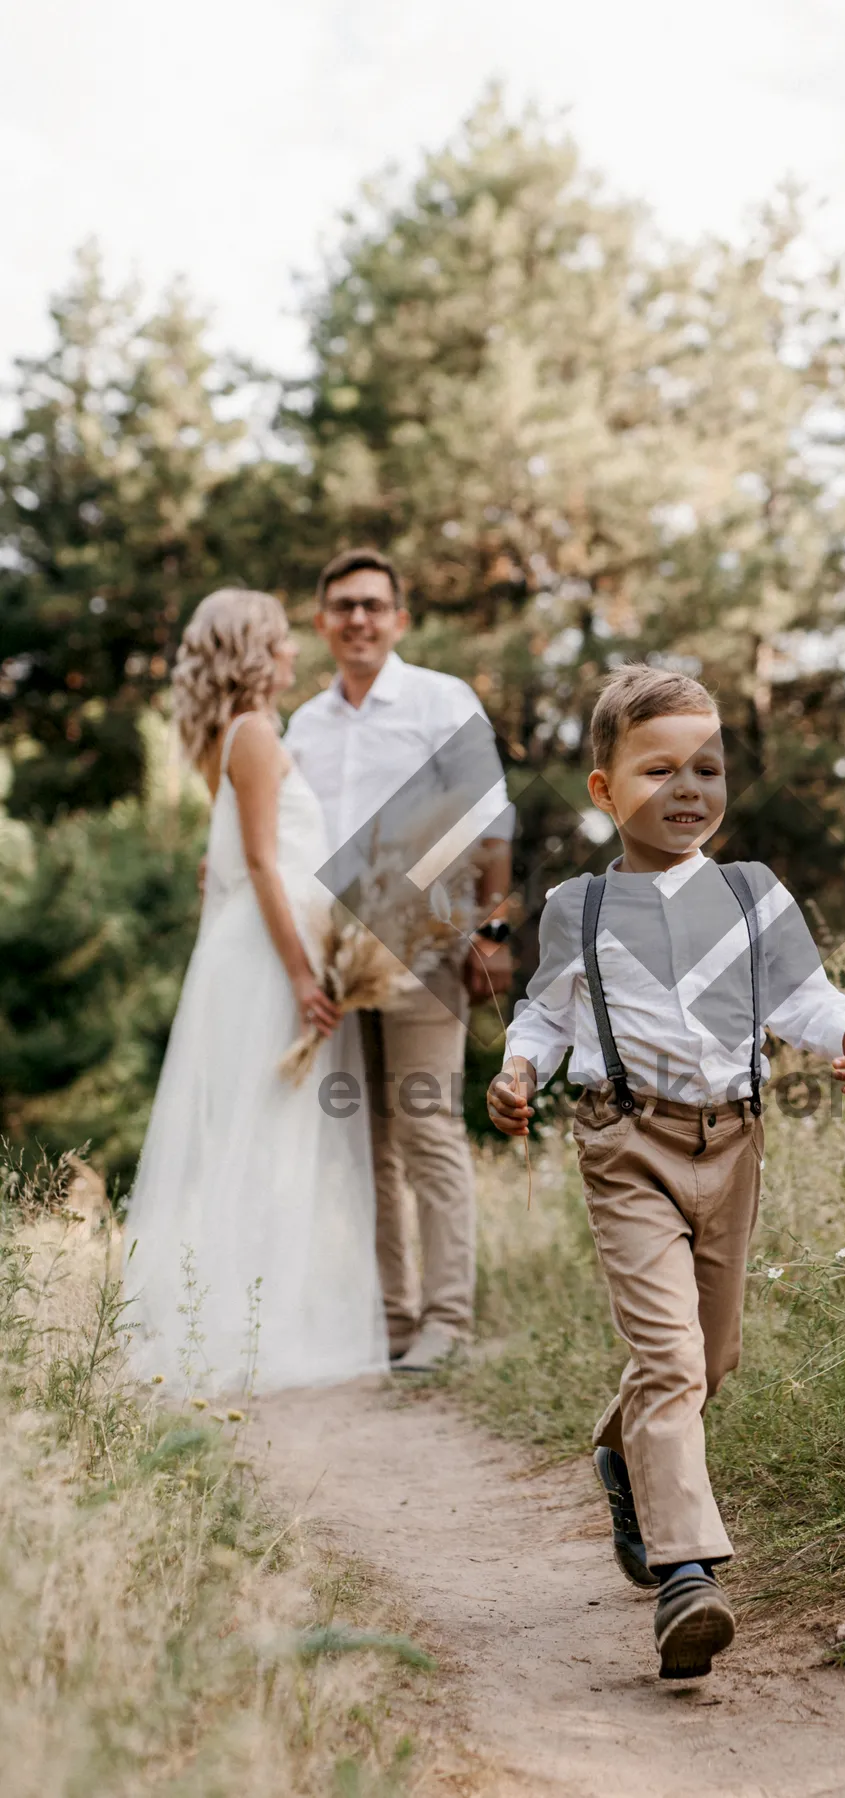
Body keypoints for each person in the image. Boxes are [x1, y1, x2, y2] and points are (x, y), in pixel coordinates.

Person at [486, 664, 845, 1680]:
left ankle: (625, 1452)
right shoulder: (578, 907)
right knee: (669, 1361)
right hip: (626, 1144)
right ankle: (686, 1578)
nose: (687, 788)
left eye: (705, 767)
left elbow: (801, 997)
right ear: (604, 789)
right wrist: (520, 1062)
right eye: (657, 767)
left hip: (736, 1144)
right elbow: (544, 1007)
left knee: (710, 1361)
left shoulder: (754, 895)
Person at [124, 589, 387, 1395]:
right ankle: (244, 1332)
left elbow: (236, 861)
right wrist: (306, 974)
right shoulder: (256, 733)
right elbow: (269, 863)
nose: (291, 654)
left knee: (255, 1135)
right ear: (250, 653)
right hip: (271, 956)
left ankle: (242, 1319)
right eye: (277, 642)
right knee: (263, 1140)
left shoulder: (225, 734)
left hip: (250, 945)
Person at [286, 548, 514, 1373]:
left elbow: (492, 820)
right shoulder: (304, 724)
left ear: (399, 620)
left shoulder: (438, 700)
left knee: (426, 1127)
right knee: (364, 1140)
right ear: (321, 623)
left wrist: (493, 934)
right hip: (336, 954)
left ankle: (448, 1320)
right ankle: (390, 1323)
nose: (358, 619)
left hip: (424, 938)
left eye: (374, 606)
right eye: (343, 606)